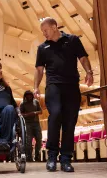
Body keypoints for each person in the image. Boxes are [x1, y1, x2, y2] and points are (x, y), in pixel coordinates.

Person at [34, 17, 94, 172]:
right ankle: (52, 156)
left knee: (69, 121)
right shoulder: (43, 48)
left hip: (72, 85)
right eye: (43, 31)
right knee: (55, 114)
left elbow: (83, 57)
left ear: (54, 27)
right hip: (53, 85)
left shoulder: (72, 40)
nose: (44, 34)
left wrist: (89, 72)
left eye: (45, 30)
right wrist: (36, 87)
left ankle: (66, 158)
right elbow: (39, 70)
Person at [20, 90, 42, 162]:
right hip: (27, 124)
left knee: (39, 139)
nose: (29, 96)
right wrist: (27, 115)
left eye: (30, 95)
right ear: (25, 96)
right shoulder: (23, 104)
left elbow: (40, 111)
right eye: (27, 95)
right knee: (28, 141)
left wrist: (34, 113)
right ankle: (29, 156)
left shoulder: (36, 102)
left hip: (36, 123)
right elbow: (20, 114)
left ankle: (37, 156)